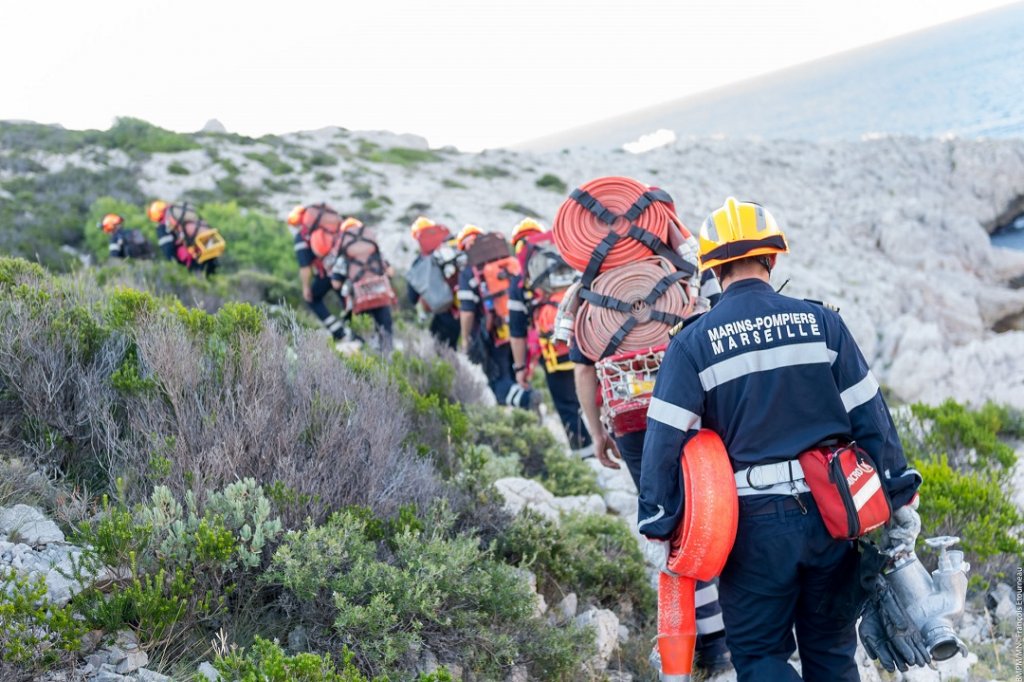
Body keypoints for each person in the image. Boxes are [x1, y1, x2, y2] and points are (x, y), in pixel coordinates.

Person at [637, 197, 922, 681]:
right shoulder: (823, 323)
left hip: (753, 530)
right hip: (834, 517)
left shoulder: (693, 342)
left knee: (760, 656)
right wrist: (896, 496)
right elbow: (873, 418)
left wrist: (658, 521)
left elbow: (664, 440)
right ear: (772, 257)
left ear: (713, 269)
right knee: (832, 655)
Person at [508, 219, 594, 457]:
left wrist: (520, 367)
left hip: (555, 349)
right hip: (588, 337)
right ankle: (611, 439)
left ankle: (584, 452)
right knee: (599, 395)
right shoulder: (569, 259)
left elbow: (517, 331)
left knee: (566, 404)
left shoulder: (521, 281)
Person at [457, 224, 533, 409]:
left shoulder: (470, 271)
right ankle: (526, 408)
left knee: (498, 378)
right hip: (519, 330)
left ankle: (526, 401)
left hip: (494, 333)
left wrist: (466, 339)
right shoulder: (507, 261)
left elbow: (467, 311)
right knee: (518, 371)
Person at [330, 216, 396, 353]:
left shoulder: (344, 255)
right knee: (386, 333)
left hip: (358, 300)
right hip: (380, 297)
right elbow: (390, 272)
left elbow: (336, 283)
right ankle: (388, 361)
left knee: (359, 335)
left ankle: (363, 365)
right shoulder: (374, 251)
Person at [288, 203, 351, 341]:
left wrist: (306, 288)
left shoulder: (302, 237)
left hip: (326, 274)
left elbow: (305, 267)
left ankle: (339, 332)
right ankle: (356, 331)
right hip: (345, 269)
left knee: (313, 298)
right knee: (348, 300)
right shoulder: (332, 229)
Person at [407, 216, 461, 349]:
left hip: (445, 308)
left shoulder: (422, 261)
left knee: (440, 344)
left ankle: (448, 368)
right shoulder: (455, 248)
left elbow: (412, 295)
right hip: (466, 306)